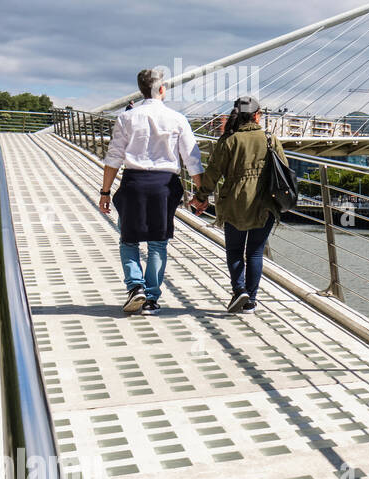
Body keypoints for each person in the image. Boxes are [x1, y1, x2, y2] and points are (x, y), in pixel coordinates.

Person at [100, 68, 203, 314]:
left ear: (141, 89)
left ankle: (136, 287)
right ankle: (151, 299)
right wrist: (201, 194)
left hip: (133, 183)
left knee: (128, 239)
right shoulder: (177, 119)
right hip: (164, 186)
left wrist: (105, 192)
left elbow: (113, 158)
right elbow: (192, 159)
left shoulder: (127, 118)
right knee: (158, 243)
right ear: (161, 89)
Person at [192, 96, 288, 314]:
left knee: (234, 250)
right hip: (264, 202)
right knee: (254, 252)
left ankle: (239, 290)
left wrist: (201, 196)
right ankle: (251, 301)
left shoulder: (228, 140)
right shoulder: (270, 139)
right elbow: (284, 168)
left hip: (234, 203)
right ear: (256, 116)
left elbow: (213, 174)